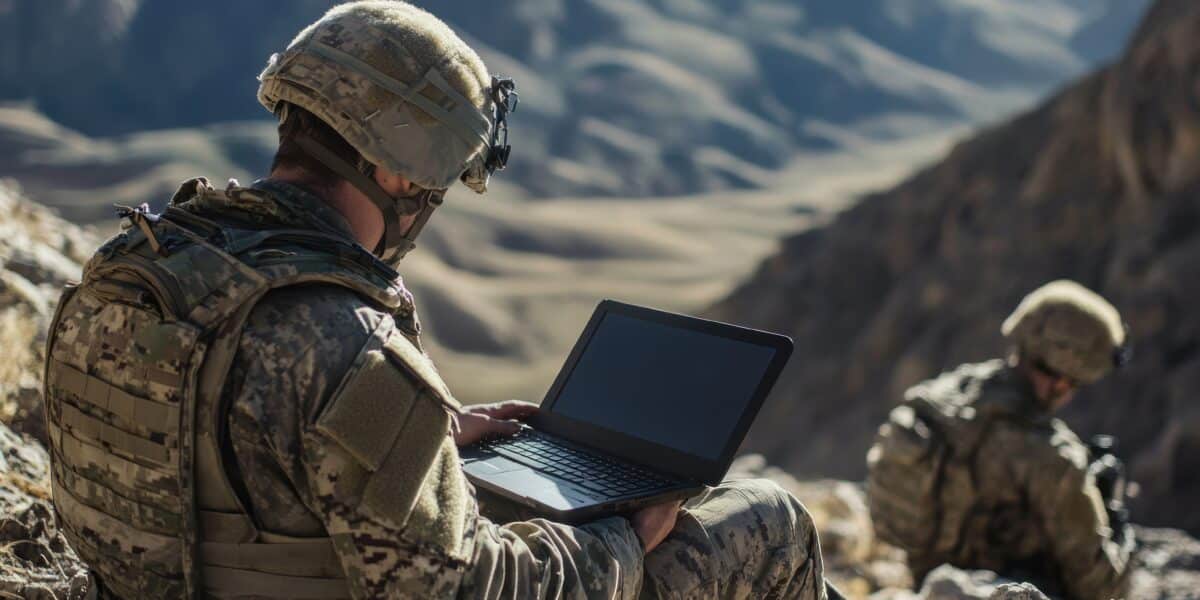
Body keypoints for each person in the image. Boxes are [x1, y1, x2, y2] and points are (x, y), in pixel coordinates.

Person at [41, 2, 829, 598]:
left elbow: (235, 462)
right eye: (435, 185)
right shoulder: (340, 342)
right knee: (766, 517)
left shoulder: (143, 267)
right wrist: (622, 538)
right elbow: (463, 589)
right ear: (390, 173)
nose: (429, 205)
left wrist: (431, 438)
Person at [866, 280, 1136, 600]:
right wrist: (1112, 512)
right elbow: (1102, 589)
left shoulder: (946, 396)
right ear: (1064, 381)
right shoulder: (1051, 457)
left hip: (926, 583)